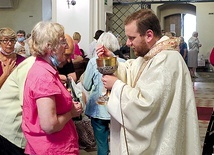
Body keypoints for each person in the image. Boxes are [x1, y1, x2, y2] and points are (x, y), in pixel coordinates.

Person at [97, 9, 201, 155]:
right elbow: (132, 70)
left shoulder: (166, 60)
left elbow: (146, 105)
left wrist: (116, 86)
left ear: (149, 35)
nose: (128, 43)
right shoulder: (153, 56)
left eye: (132, 38)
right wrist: (112, 59)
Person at [21, 21, 82, 154]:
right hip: (52, 148)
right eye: (62, 42)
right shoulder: (43, 76)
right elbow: (49, 125)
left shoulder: (45, 69)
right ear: (49, 46)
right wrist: (71, 113)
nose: (66, 46)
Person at [83, 32, 126, 155]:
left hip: (98, 108)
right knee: (118, 143)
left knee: (101, 144)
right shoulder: (123, 62)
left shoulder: (93, 62)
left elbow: (86, 85)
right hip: (117, 107)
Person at [0, 56, 35, 155]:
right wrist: (5, 75)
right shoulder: (30, 65)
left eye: (12, 40)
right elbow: (27, 104)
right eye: (5, 40)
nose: (9, 44)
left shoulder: (22, 60)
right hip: (8, 128)